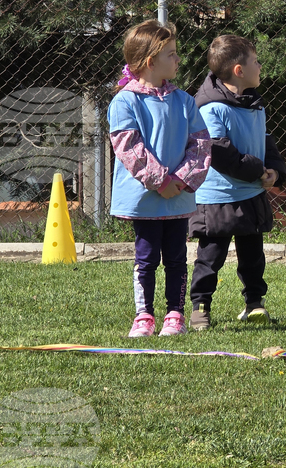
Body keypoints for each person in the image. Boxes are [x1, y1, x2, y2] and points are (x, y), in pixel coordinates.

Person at [108, 20, 211, 337]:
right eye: (172, 54)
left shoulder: (184, 101)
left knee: (178, 259)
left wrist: (180, 180)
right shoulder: (126, 101)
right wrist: (160, 181)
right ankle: (144, 316)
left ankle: (175, 315)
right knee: (147, 257)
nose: (178, 59)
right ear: (151, 61)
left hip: (177, 197)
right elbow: (128, 147)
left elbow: (201, 144)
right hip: (146, 199)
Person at [188, 35, 286, 330]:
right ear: (238, 71)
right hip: (217, 197)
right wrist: (258, 171)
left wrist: (275, 172)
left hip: (251, 193)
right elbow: (220, 152)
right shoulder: (211, 108)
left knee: (253, 257)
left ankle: (255, 304)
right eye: (255, 61)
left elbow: (267, 144)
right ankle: (200, 307)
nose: (261, 66)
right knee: (210, 256)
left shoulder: (255, 105)